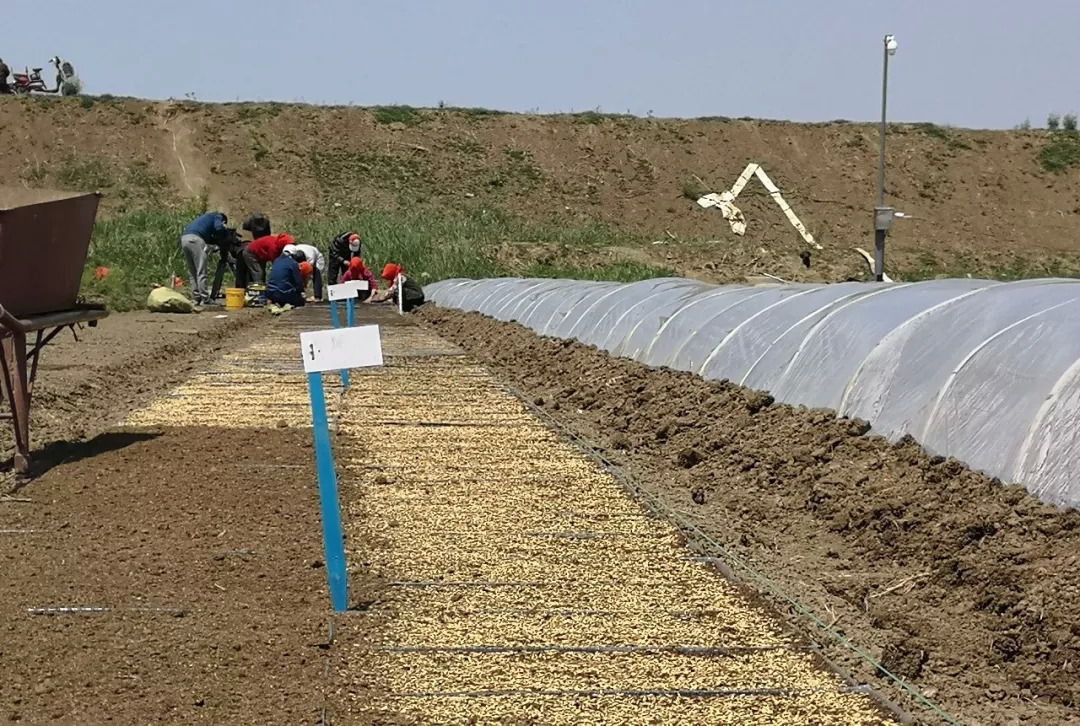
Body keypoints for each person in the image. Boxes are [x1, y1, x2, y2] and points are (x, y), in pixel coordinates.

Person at [179, 211, 231, 305]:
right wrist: (225, 230)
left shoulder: (205, 220)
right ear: (223, 220)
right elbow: (219, 228)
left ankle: (197, 298)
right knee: (201, 270)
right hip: (195, 239)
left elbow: (208, 238)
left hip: (185, 239)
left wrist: (215, 241)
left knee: (192, 271)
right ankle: (205, 299)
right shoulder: (217, 216)